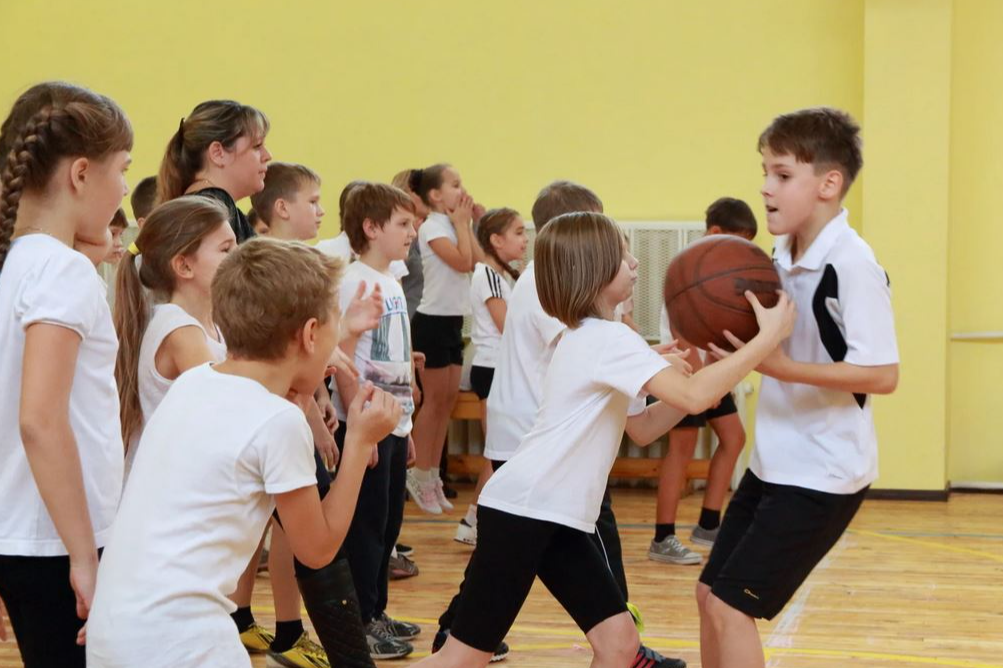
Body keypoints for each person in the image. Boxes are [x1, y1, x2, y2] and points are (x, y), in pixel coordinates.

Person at [417, 211, 794, 668]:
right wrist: (764, 341)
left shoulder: (593, 337)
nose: (636, 263)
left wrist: (693, 371)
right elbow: (696, 397)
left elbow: (643, 426)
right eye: (623, 256)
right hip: (525, 512)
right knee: (460, 659)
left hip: (553, 515)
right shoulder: (607, 338)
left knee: (618, 642)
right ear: (592, 271)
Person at [87, 237, 402, 668]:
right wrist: (360, 443)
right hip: (180, 643)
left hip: (116, 629)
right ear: (310, 335)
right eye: (334, 329)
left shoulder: (195, 384)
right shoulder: (278, 422)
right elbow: (317, 549)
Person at [696, 107, 899, 668]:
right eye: (764, 172)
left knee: (733, 609)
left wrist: (778, 367)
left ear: (829, 184)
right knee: (709, 595)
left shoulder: (852, 266)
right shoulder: (778, 257)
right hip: (774, 464)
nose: (765, 188)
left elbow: (884, 375)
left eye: (782, 175)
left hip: (824, 475)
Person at [0, 80, 133, 668]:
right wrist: (84, 554)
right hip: (57, 542)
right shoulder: (63, 272)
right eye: (122, 169)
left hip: (27, 536)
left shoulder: (19, 264)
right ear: (81, 174)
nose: (125, 188)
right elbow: (39, 420)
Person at [333, 182, 421, 659]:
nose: (412, 232)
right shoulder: (354, 280)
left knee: (387, 528)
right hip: (365, 424)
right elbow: (345, 357)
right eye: (403, 224)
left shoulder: (392, 278)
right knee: (364, 530)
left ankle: (378, 610)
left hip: (391, 422)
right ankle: (360, 620)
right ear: (371, 227)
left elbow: (394, 358)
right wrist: (359, 427)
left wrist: (405, 426)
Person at [649, 197, 758, 565]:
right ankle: (663, 537)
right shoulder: (688, 273)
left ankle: (709, 526)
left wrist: (717, 374)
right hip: (682, 372)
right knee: (682, 448)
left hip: (707, 373)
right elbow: (682, 337)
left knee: (734, 437)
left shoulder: (722, 274)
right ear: (715, 234)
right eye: (739, 241)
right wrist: (701, 383)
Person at [406, 164, 477, 514]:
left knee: (447, 402)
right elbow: (463, 263)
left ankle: (433, 475)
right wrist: (462, 225)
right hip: (431, 323)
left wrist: (468, 223)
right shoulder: (433, 227)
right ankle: (417, 475)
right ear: (435, 195)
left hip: (452, 322)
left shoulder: (452, 225)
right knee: (433, 403)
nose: (462, 190)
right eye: (455, 184)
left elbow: (477, 259)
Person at [454, 207, 527, 546]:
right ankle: (474, 521)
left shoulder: (501, 274)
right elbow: (508, 326)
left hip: (500, 368)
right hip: (493, 368)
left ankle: (475, 520)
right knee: (496, 453)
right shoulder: (488, 275)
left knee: (498, 453)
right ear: (496, 240)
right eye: (518, 232)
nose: (525, 239)